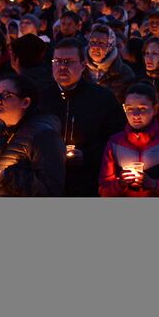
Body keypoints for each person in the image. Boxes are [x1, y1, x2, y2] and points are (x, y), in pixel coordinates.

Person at [40, 37, 126, 197]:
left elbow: (117, 139)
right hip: (48, 182)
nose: (62, 67)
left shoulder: (102, 98)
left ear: (83, 65)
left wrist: (87, 156)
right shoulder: (41, 97)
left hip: (88, 183)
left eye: (68, 62)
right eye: (57, 61)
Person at [0, 74, 68, 196]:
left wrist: (8, 177)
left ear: (25, 102)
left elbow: (50, 188)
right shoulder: (2, 132)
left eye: (6, 95)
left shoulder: (44, 136)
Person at [98, 83, 159, 197]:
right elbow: (104, 191)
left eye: (142, 108)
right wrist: (120, 184)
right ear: (124, 109)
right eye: (130, 108)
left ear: (155, 109)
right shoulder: (115, 144)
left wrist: (154, 185)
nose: (136, 115)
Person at [85, 24, 137, 104]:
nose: (95, 47)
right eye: (93, 42)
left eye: (101, 43)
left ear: (110, 45)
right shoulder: (80, 69)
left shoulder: (124, 73)